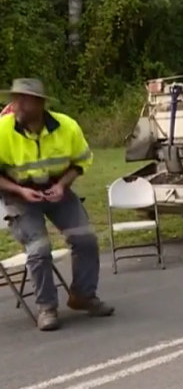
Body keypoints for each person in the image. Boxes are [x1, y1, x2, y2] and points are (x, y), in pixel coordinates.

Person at [0, 78, 114, 331]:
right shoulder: (3, 129)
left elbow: (80, 162)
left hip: (57, 190)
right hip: (19, 196)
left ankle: (83, 296)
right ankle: (46, 308)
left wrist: (62, 185)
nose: (14, 104)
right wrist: (19, 190)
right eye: (14, 98)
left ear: (39, 104)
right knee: (39, 248)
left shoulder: (67, 127)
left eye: (22, 99)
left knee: (85, 239)